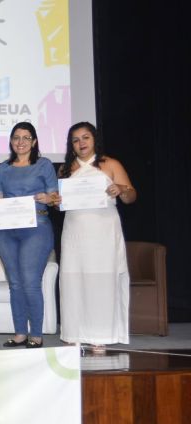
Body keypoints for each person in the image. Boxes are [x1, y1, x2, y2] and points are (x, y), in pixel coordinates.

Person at [54, 122, 135, 353]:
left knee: (101, 279)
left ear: (94, 139)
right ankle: (74, 332)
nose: (81, 143)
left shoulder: (110, 164)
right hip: (75, 232)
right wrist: (56, 201)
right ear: (71, 144)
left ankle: (100, 335)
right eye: (76, 140)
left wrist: (122, 189)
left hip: (103, 232)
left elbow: (131, 196)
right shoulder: (65, 169)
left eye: (85, 137)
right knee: (73, 279)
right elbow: (60, 203)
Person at [0, 122, 57, 349]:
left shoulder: (44, 165)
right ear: (11, 141)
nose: (21, 142)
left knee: (30, 283)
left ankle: (36, 334)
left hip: (36, 228)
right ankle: (19, 334)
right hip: (7, 230)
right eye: (17, 137)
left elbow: (56, 197)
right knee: (15, 284)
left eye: (26, 137)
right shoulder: (4, 168)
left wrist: (49, 198)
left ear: (34, 142)